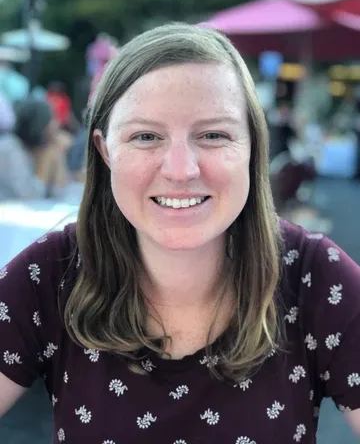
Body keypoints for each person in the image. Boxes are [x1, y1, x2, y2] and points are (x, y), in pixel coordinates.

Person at [0, 23, 359, 443]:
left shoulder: (316, 277)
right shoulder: (54, 273)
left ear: (252, 147)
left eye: (212, 135)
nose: (181, 170)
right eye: (146, 136)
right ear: (104, 150)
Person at [0, 96, 71, 200]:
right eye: (51, 119)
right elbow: (30, 199)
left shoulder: (34, 149)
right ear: (39, 123)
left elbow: (61, 192)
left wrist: (58, 154)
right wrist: (47, 160)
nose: (57, 124)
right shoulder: (10, 149)